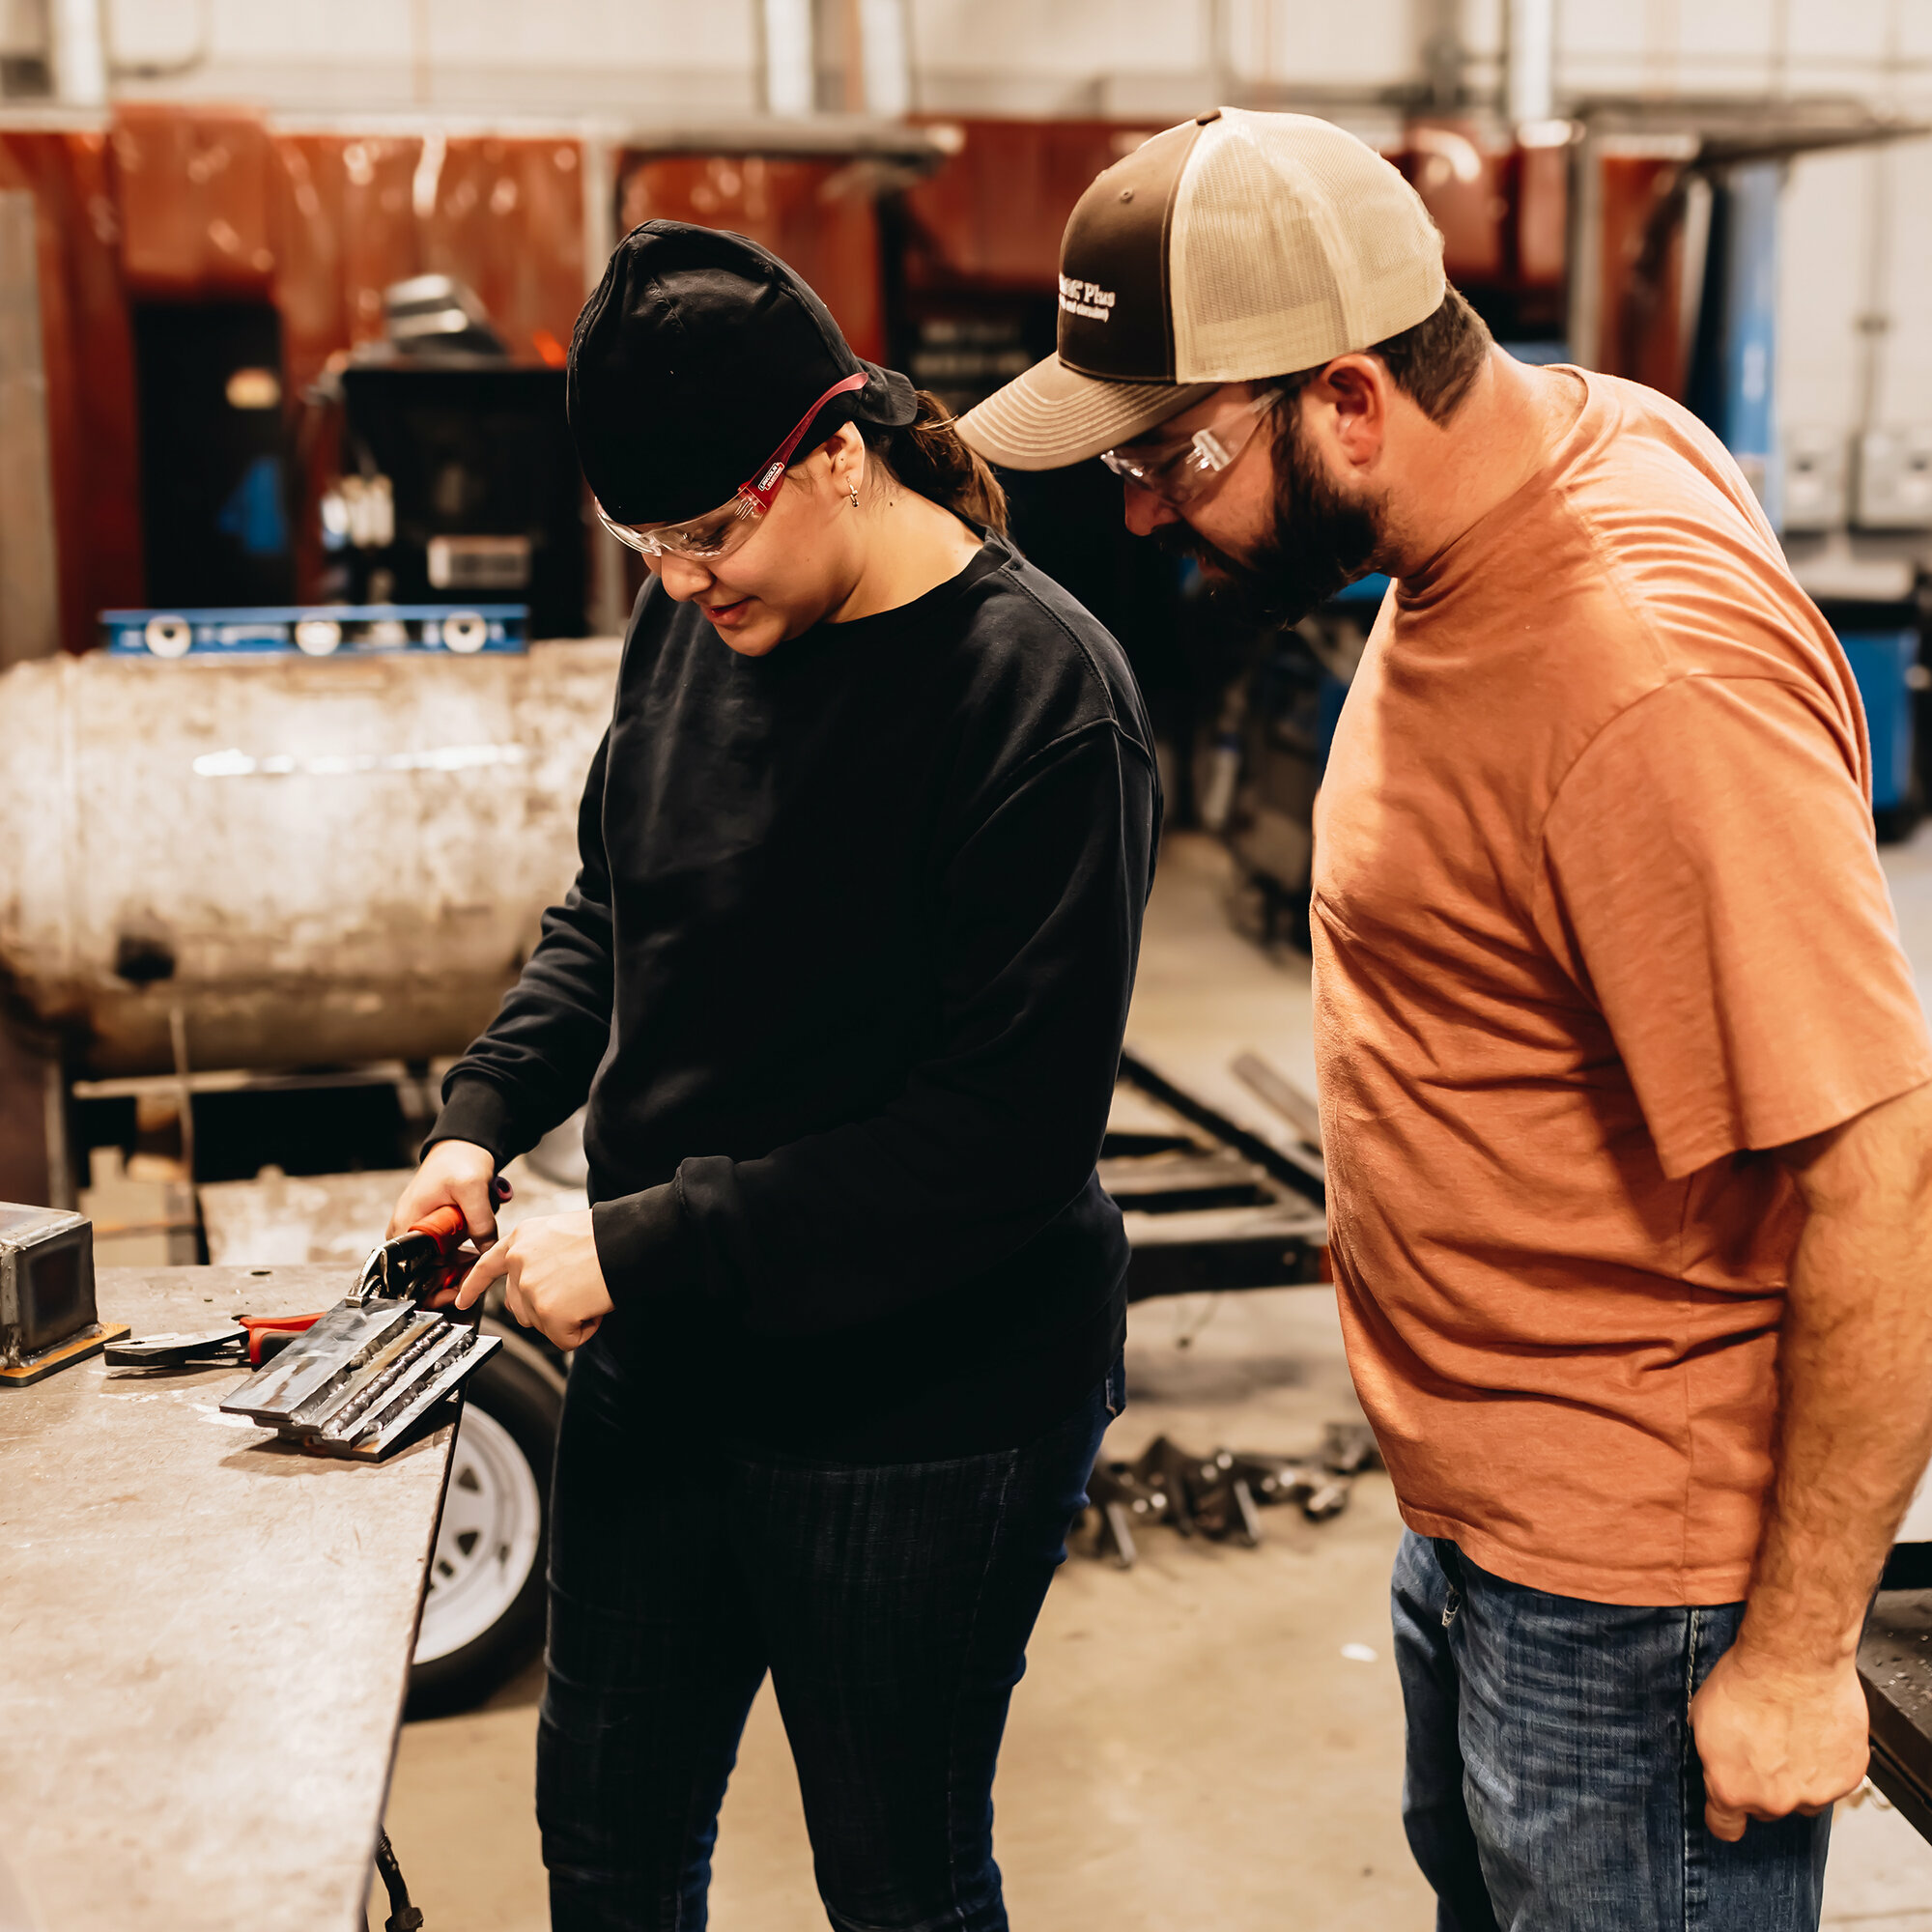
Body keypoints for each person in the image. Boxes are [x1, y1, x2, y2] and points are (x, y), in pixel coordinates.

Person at [959, 106, 1932, 1931]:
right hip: (1486, 1530)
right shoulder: (1546, 451)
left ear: (1347, 398)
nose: (1144, 512)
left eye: (1173, 453)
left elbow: (1888, 1175)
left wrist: (1799, 1656)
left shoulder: (1645, 683)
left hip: (1633, 1605)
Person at [388, 220, 1158, 1932]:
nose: (680, 584)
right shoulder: (702, 624)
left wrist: (646, 1241)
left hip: (925, 1413)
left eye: (710, 534)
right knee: (605, 1851)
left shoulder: (1040, 701)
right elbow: (618, 904)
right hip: (677, 1369)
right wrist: (483, 1117)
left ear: (835, 452)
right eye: (645, 547)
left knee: (896, 1881)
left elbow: (998, 1142)